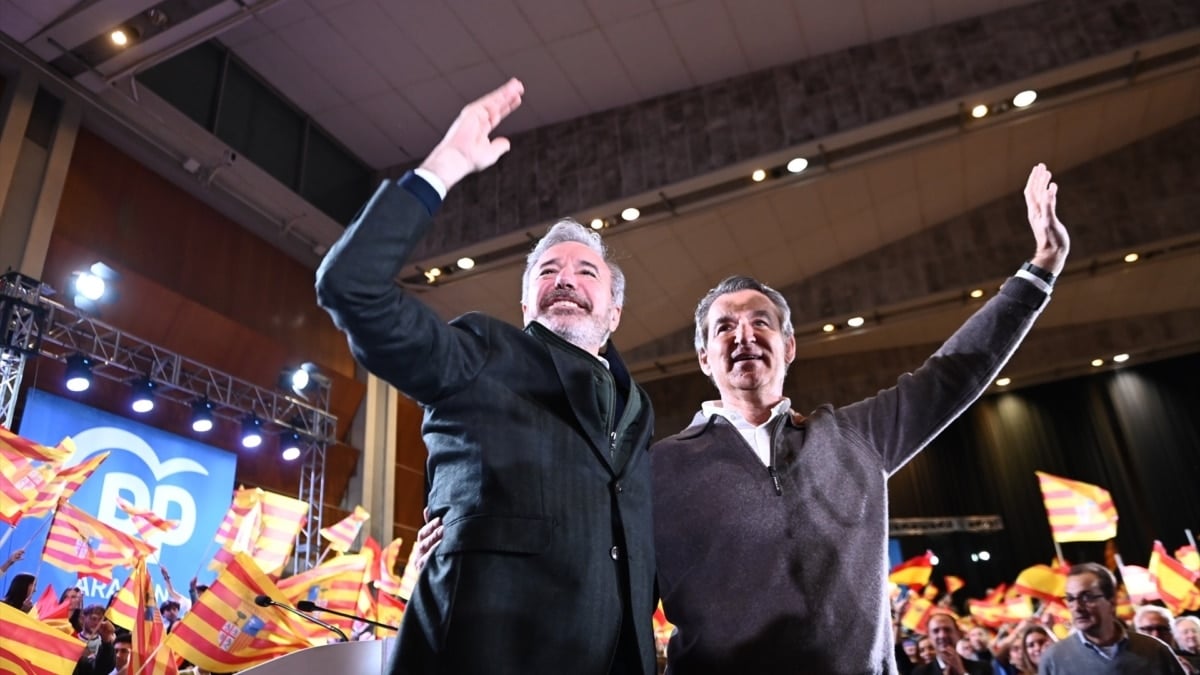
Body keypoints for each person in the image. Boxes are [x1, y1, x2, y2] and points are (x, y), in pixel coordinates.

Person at [649, 163, 1069, 674]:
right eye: (724, 327)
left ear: (789, 347)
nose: (744, 335)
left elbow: (951, 376)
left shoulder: (853, 437)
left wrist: (1041, 270)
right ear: (703, 357)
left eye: (761, 322)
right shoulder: (657, 468)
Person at [316, 78, 656, 675]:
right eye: (547, 271)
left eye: (586, 271)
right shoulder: (482, 354)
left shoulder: (639, 412)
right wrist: (444, 166)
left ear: (615, 312)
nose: (565, 278)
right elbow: (352, 286)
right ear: (526, 306)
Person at [1037, 562, 1184, 673]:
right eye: (1070, 599)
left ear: (1112, 601)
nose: (1077, 607)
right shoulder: (1054, 659)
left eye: (1087, 597)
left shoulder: (1154, 650)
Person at [913, 612, 991, 675]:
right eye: (936, 631)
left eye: (947, 630)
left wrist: (962, 672)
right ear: (929, 637)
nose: (942, 635)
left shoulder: (982, 668)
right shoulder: (920, 673)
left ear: (958, 634)